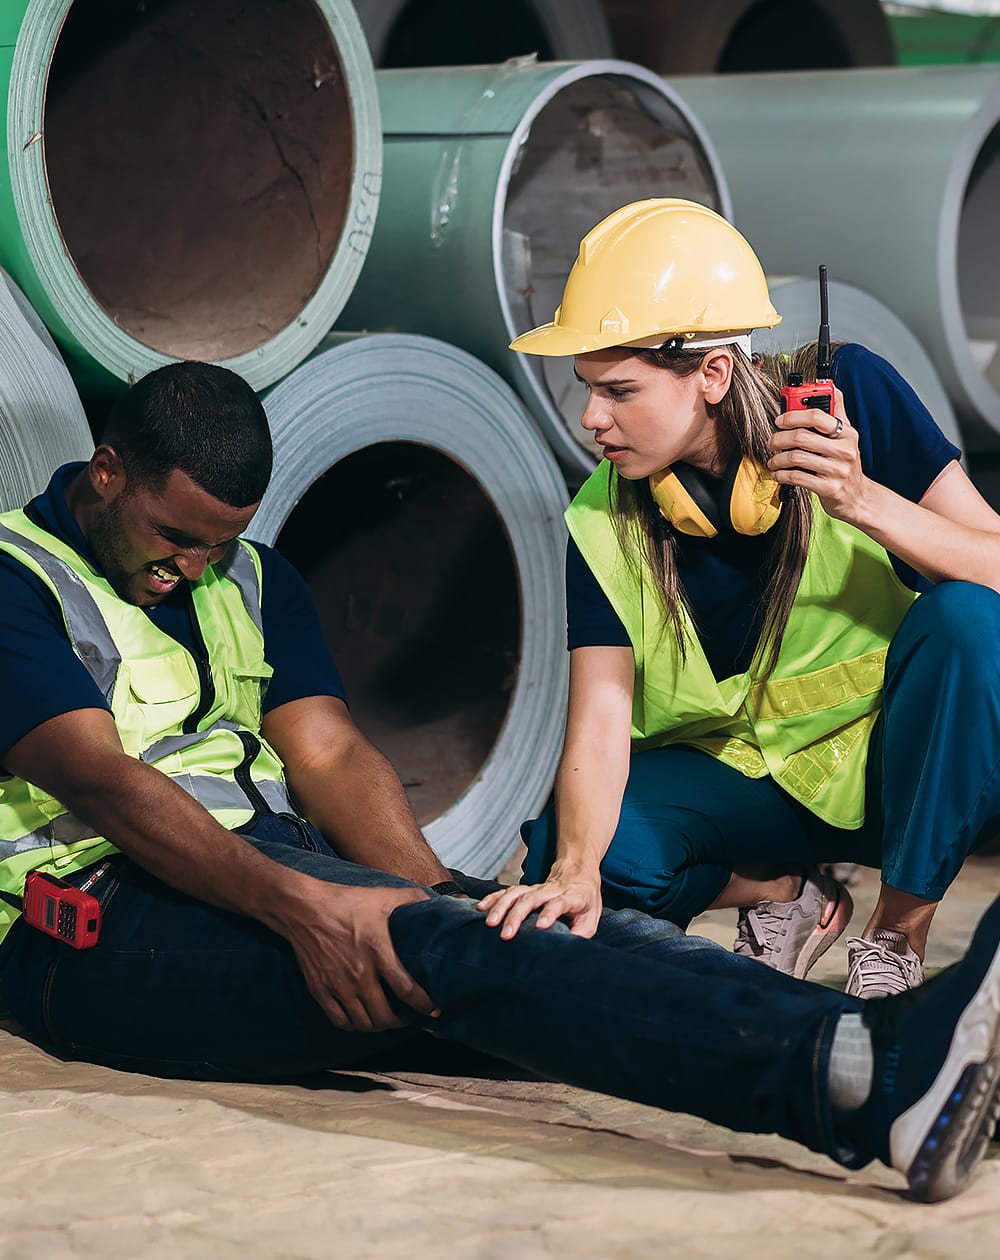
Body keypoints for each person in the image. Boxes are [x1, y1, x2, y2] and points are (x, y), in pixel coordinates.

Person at [0, 358, 997, 1205]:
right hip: (86, 928)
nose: (194, 564)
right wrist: (316, 911)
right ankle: (869, 1080)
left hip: (269, 873)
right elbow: (104, 784)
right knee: (460, 955)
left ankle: (909, 1054)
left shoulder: (251, 580)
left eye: (219, 541)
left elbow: (333, 756)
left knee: (541, 934)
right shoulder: (19, 576)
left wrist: (428, 889)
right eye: (176, 537)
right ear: (106, 472)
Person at [486, 197, 1000, 1001]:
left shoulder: (850, 396)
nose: (591, 418)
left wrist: (865, 502)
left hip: (899, 774)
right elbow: (598, 717)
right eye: (586, 387)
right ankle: (782, 893)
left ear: (715, 373)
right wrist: (578, 872)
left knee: (973, 622)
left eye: (619, 390)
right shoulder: (600, 515)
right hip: (752, 792)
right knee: (570, 841)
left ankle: (897, 932)